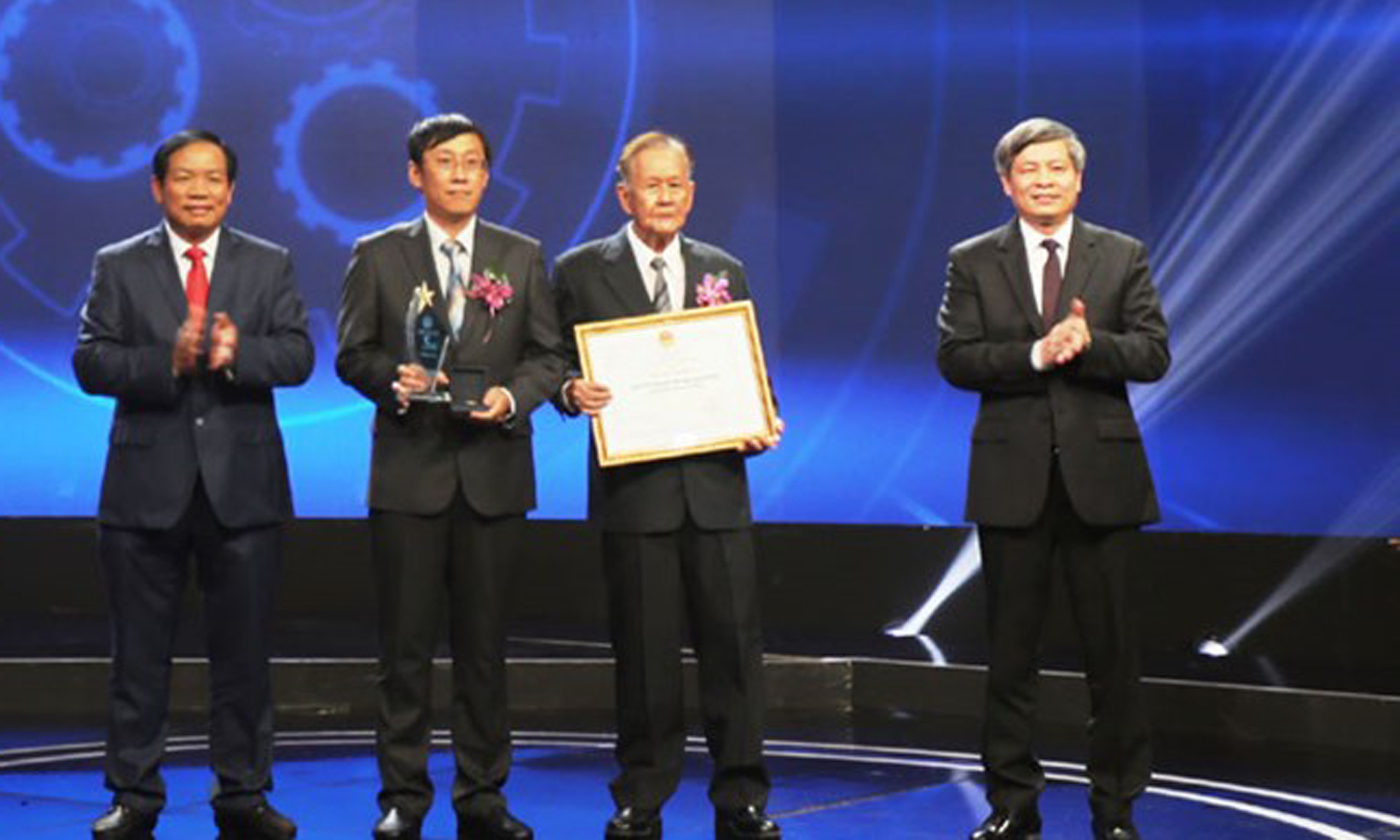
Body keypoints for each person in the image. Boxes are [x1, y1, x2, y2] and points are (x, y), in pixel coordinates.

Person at [73, 129, 311, 840]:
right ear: (158, 188)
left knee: (243, 659)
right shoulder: (117, 264)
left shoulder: (269, 263)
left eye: (213, 178)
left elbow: (299, 354)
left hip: (243, 488)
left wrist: (242, 356)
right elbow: (91, 362)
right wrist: (165, 360)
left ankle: (243, 794)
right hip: (145, 489)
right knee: (138, 659)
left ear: (231, 191)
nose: (200, 189)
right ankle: (134, 796)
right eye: (185, 177)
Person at [937, 117, 1170, 840]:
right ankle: (1012, 806)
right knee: (1010, 658)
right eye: (1028, 170)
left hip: (1103, 484)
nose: (1043, 180)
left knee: (1114, 661)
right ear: (1006, 183)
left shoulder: (1120, 255)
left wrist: (1090, 344)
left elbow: (1152, 353)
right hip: (1014, 485)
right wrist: (1035, 356)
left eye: (1056, 169)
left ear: (1079, 178)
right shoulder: (973, 260)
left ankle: (1116, 809)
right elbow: (956, 358)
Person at [335, 113, 563, 840]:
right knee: (404, 651)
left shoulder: (521, 255)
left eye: (472, 161)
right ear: (416, 174)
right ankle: (403, 798)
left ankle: (484, 796)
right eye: (444, 161)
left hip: (494, 473)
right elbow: (351, 353)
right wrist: (391, 381)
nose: (460, 173)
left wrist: (512, 396)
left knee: (486, 651)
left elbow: (548, 357)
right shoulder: (377, 255)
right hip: (410, 473)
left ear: (487, 175)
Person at [553, 131, 784, 840]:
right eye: (651, 185)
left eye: (677, 184)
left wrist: (761, 414)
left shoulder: (724, 268)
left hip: (716, 489)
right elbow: (553, 364)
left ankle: (742, 797)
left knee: (733, 651)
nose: (665, 196)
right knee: (645, 655)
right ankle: (641, 796)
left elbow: (747, 367)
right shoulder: (580, 270)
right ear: (624, 194)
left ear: (692, 189)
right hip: (636, 493)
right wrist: (569, 390)